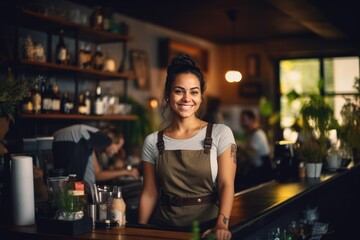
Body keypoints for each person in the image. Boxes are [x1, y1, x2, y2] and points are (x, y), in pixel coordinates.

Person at [138, 54, 236, 240]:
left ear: (200, 96)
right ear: (168, 94)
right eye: (179, 91)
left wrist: (221, 224)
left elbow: (226, 184)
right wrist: (139, 231)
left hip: (206, 229)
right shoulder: (152, 141)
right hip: (163, 229)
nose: (186, 98)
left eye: (194, 92)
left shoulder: (220, 133)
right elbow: (149, 193)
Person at [52, 124, 139, 187]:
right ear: (110, 140)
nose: (116, 151)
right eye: (117, 147)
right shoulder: (90, 144)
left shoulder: (93, 148)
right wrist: (127, 172)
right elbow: (98, 175)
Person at [235, 109, 274, 191]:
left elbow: (249, 154)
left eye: (244, 120)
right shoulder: (251, 134)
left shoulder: (258, 134)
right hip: (257, 170)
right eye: (241, 120)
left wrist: (238, 148)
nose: (242, 123)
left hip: (262, 172)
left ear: (252, 120)